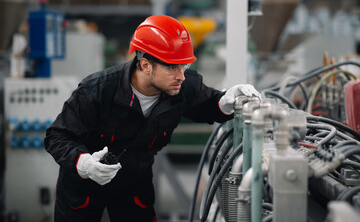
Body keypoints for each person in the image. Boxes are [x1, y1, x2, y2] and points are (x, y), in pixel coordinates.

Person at [44, 14, 261, 222]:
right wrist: (83, 163)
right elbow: (57, 136)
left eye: (184, 66)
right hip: (84, 187)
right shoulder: (97, 90)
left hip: (133, 185)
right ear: (146, 65)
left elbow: (208, 104)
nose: (181, 76)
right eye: (172, 67)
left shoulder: (183, 86)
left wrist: (225, 101)